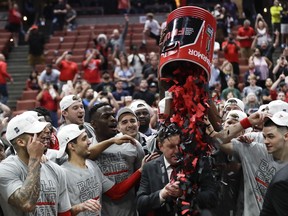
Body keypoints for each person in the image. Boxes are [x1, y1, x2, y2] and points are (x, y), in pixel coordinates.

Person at [57, 124, 154, 215]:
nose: (89, 142)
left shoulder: (92, 165)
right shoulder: (63, 173)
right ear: (71, 146)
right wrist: (79, 207)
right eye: (84, 139)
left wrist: (140, 170)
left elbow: (115, 192)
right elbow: (59, 212)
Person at [136, 123, 218, 216]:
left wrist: (184, 193)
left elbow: (212, 198)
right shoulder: (150, 168)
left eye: (180, 145)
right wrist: (162, 194)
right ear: (160, 146)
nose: (177, 151)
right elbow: (140, 203)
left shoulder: (198, 164)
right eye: (171, 147)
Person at [0, 112, 71, 215]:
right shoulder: (5, 169)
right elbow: (27, 204)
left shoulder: (56, 169)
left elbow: (64, 213)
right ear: (21, 142)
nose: (46, 132)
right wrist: (34, 158)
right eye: (37, 132)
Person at [89, 102, 145, 216]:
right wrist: (111, 141)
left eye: (113, 115)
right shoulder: (88, 145)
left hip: (130, 211)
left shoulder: (132, 143)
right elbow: (86, 154)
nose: (113, 119)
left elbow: (141, 182)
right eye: (106, 116)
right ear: (93, 124)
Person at [260, 111, 288, 215]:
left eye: (271, 136)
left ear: (286, 136)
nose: (265, 141)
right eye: (264, 137)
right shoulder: (282, 181)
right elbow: (219, 141)